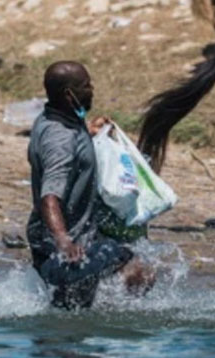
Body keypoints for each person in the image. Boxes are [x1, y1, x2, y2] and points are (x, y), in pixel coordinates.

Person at [27, 61, 154, 309]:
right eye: (85, 86)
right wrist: (63, 240)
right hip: (68, 244)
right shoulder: (61, 139)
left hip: (60, 239)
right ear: (69, 94)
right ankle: (112, 326)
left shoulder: (52, 119)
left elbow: (66, 142)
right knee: (140, 273)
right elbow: (49, 196)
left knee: (74, 306)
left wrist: (89, 131)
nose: (92, 89)